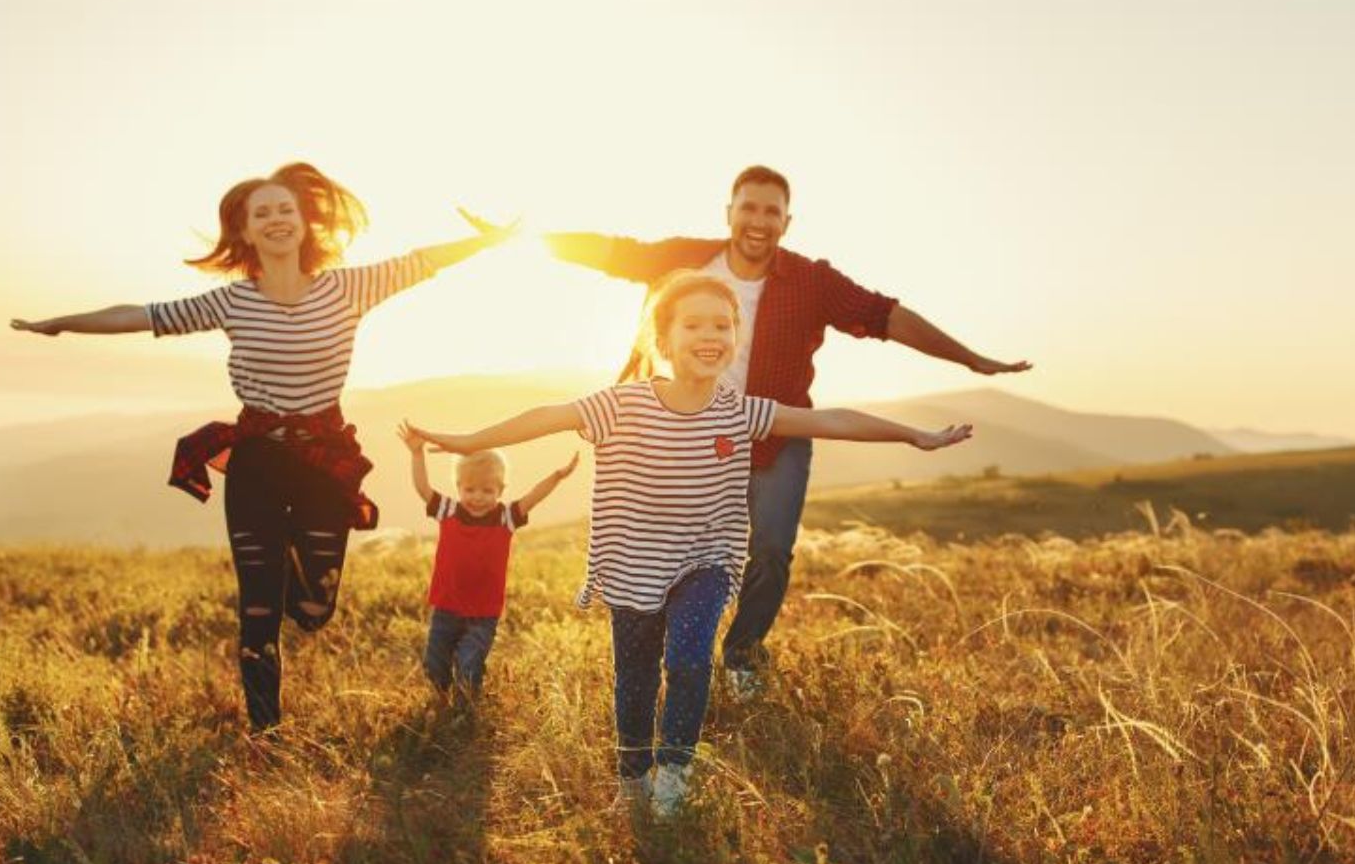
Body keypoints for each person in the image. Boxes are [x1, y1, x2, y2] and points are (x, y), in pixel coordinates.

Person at [404, 270, 971, 816]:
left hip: (706, 561)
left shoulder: (740, 412)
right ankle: (633, 778)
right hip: (631, 567)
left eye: (723, 326)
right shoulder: (621, 404)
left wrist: (913, 434)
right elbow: (546, 417)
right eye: (694, 325)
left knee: (690, 657)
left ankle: (675, 772)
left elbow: (831, 421)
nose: (710, 336)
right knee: (635, 677)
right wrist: (464, 441)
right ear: (663, 340)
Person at [10, 162, 514, 733]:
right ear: (246, 233)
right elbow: (141, 315)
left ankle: (292, 580)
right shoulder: (232, 302)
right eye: (262, 213)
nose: (275, 219)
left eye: (285, 210)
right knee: (257, 607)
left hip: (323, 462)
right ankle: (265, 731)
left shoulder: (348, 287)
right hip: (257, 461)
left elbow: (422, 262)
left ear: (304, 223)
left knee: (314, 609)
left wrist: (488, 239)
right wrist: (61, 323)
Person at [526, 164, 1031, 699]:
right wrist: (523, 236)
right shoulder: (685, 259)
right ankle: (667, 654)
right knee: (672, 547)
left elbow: (886, 316)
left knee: (770, 549)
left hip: (774, 435)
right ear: (729, 213)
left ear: (787, 221)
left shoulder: (810, 282)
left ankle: (742, 655)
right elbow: (610, 252)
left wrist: (971, 360)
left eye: (771, 211)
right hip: (683, 435)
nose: (758, 221)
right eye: (749, 207)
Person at [398, 424, 577, 701]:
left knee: (469, 664)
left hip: (483, 614)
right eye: (469, 489)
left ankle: (467, 707)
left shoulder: (506, 517)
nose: (478, 497)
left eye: (487, 490)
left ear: (500, 490)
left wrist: (557, 476)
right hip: (446, 608)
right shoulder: (448, 511)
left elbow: (533, 497)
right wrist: (417, 453)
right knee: (435, 664)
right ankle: (442, 702)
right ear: (458, 487)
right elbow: (423, 488)